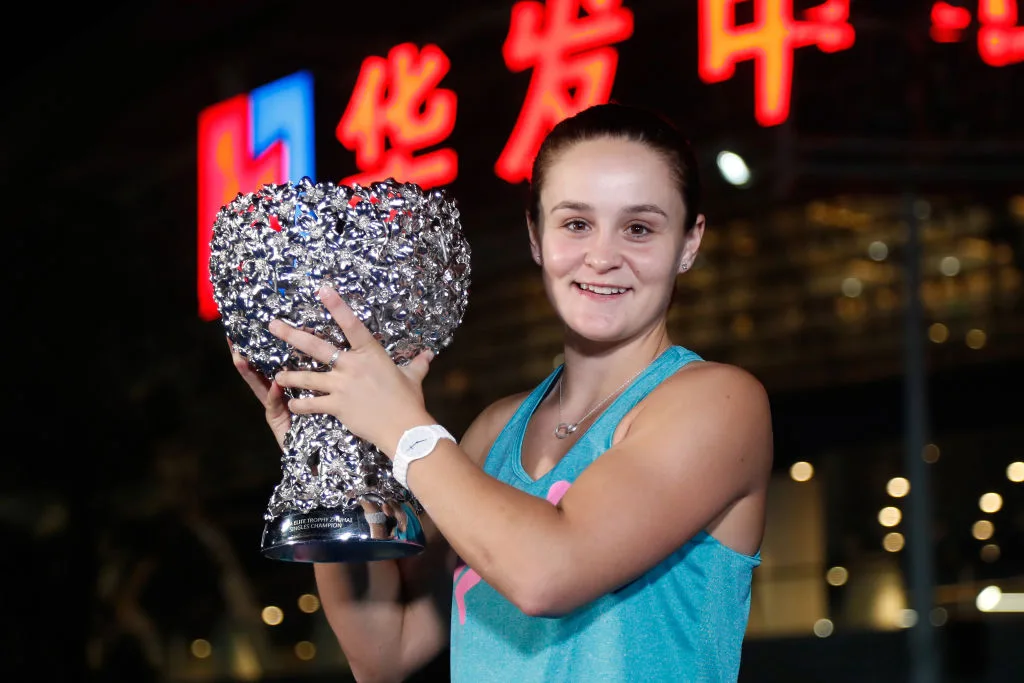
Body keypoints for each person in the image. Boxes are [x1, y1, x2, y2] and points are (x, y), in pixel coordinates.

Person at [230, 103, 773, 682]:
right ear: (536, 237)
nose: (603, 256)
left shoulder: (718, 403)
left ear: (689, 243)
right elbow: (384, 651)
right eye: (575, 224)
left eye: (639, 228)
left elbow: (549, 574)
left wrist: (401, 427)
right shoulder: (494, 431)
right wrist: (335, 459)